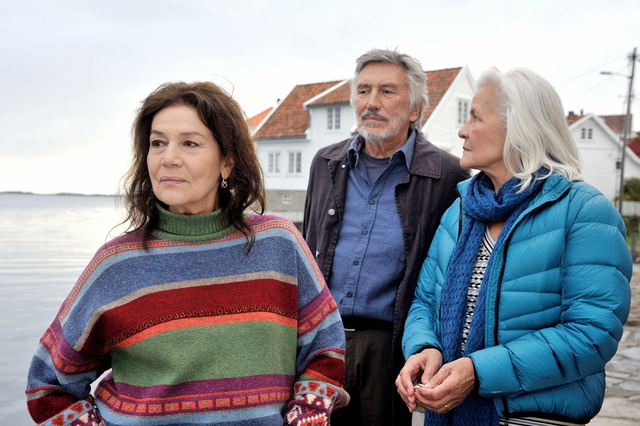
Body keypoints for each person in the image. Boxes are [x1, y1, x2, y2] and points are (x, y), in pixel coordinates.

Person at [26, 81, 349, 426]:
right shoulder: (116, 265)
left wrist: (308, 417)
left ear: (227, 162)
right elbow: (47, 386)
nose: (169, 158)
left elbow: (325, 348)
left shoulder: (278, 243)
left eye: (190, 143)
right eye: (158, 143)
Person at [396, 66, 633, 426]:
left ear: (519, 127)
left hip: (532, 418)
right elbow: (425, 302)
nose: (462, 130)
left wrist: (479, 371)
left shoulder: (584, 211)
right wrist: (423, 347)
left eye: (475, 117)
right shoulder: (459, 211)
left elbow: (592, 334)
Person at [303, 48, 470, 425]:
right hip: (322, 342)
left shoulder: (448, 175)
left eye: (387, 91)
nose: (371, 103)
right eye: (363, 91)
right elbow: (308, 249)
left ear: (415, 109)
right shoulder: (325, 163)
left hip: (391, 347)